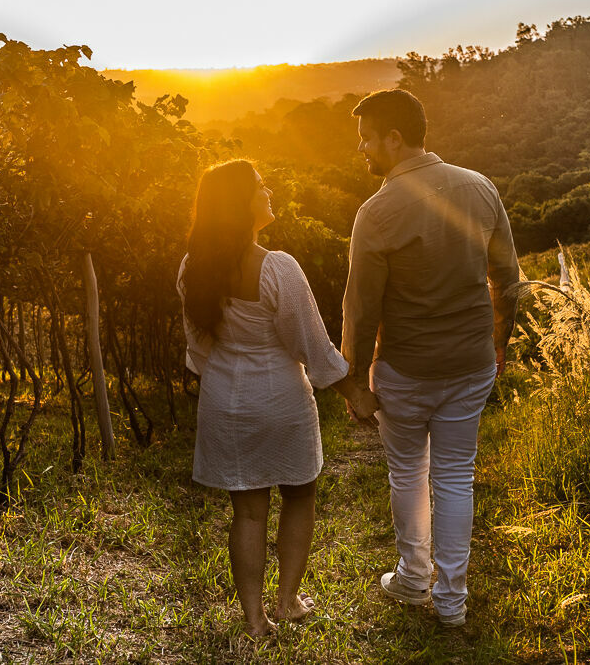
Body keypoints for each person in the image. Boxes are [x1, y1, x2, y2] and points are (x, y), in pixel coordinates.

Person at [341, 89, 520, 627]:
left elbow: (361, 308)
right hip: (470, 363)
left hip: (405, 369)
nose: (363, 150)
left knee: (407, 473)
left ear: (394, 139)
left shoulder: (376, 212)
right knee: (455, 476)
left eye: (367, 139)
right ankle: (452, 602)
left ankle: (414, 579)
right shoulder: (481, 188)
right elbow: (508, 280)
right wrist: (499, 348)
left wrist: (355, 383)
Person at [178, 159, 379, 637]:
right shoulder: (277, 267)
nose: (268, 191)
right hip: (281, 401)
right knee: (300, 495)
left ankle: (254, 618)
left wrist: (226, 384)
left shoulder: (193, 267)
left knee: (247, 510)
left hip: (226, 400)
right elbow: (311, 345)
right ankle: (287, 601)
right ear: (239, 204)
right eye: (259, 186)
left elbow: (198, 346)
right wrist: (354, 391)